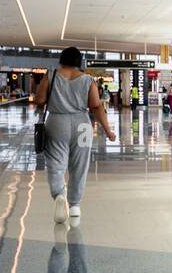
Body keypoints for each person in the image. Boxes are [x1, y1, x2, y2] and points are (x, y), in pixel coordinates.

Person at [35, 47, 116, 224]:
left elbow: (39, 99)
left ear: (62, 59)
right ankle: (74, 206)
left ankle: (58, 195)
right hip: (82, 125)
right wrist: (108, 130)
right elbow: (96, 106)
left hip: (57, 123)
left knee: (56, 164)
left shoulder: (51, 75)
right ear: (79, 61)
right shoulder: (88, 80)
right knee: (80, 165)